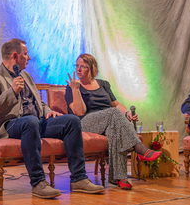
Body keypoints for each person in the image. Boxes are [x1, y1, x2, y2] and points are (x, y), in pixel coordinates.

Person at [0, 38, 104, 198]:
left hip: (37, 122)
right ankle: (38, 182)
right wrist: (11, 92)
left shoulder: (26, 75)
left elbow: (38, 102)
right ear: (14, 55)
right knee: (30, 122)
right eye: (25, 54)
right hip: (11, 125)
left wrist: (48, 111)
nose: (29, 57)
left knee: (72, 121)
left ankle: (79, 179)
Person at [65, 53, 162, 190]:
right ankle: (139, 148)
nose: (78, 70)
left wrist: (127, 113)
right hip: (84, 123)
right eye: (77, 66)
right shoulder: (72, 87)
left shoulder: (103, 84)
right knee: (113, 114)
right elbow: (79, 112)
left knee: (114, 130)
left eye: (83, 67)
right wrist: (75, 89)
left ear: (92, 69)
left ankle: (120, 178)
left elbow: (115, 104)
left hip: (109, 121)